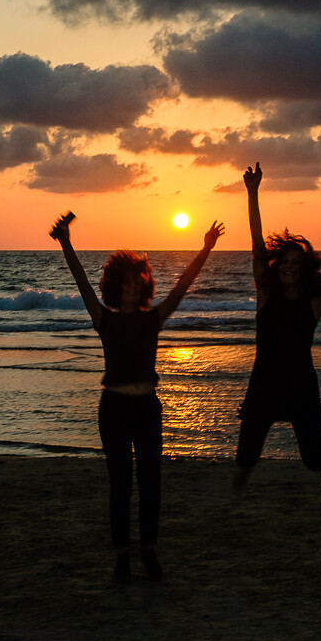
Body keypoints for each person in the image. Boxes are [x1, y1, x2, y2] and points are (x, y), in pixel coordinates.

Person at [50, 212, 224, 583]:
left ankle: (149, 550)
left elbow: (182, 287)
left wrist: (206, 248)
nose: (130, 288)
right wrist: (66, 243)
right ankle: (122, 557)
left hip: (147, 407)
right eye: (125, 284)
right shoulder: (104, 318)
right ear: (116, 287)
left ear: (143, 285)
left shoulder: (153, 318)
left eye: (136, 283)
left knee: (150, 482)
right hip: (113, 408)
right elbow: (81, 282)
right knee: (120, 484)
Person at [233, 162, 321, 493]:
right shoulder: (265, 294)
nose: (289, 267)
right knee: (245, 457)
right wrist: (252, 192)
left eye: (296, 263)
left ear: (305, 268)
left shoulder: (315, 302)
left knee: (313, 461)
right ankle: (235, 498)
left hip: (300, 386)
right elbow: (257, 244)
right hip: (264, 383)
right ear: (276, 266)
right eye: (284, 262)